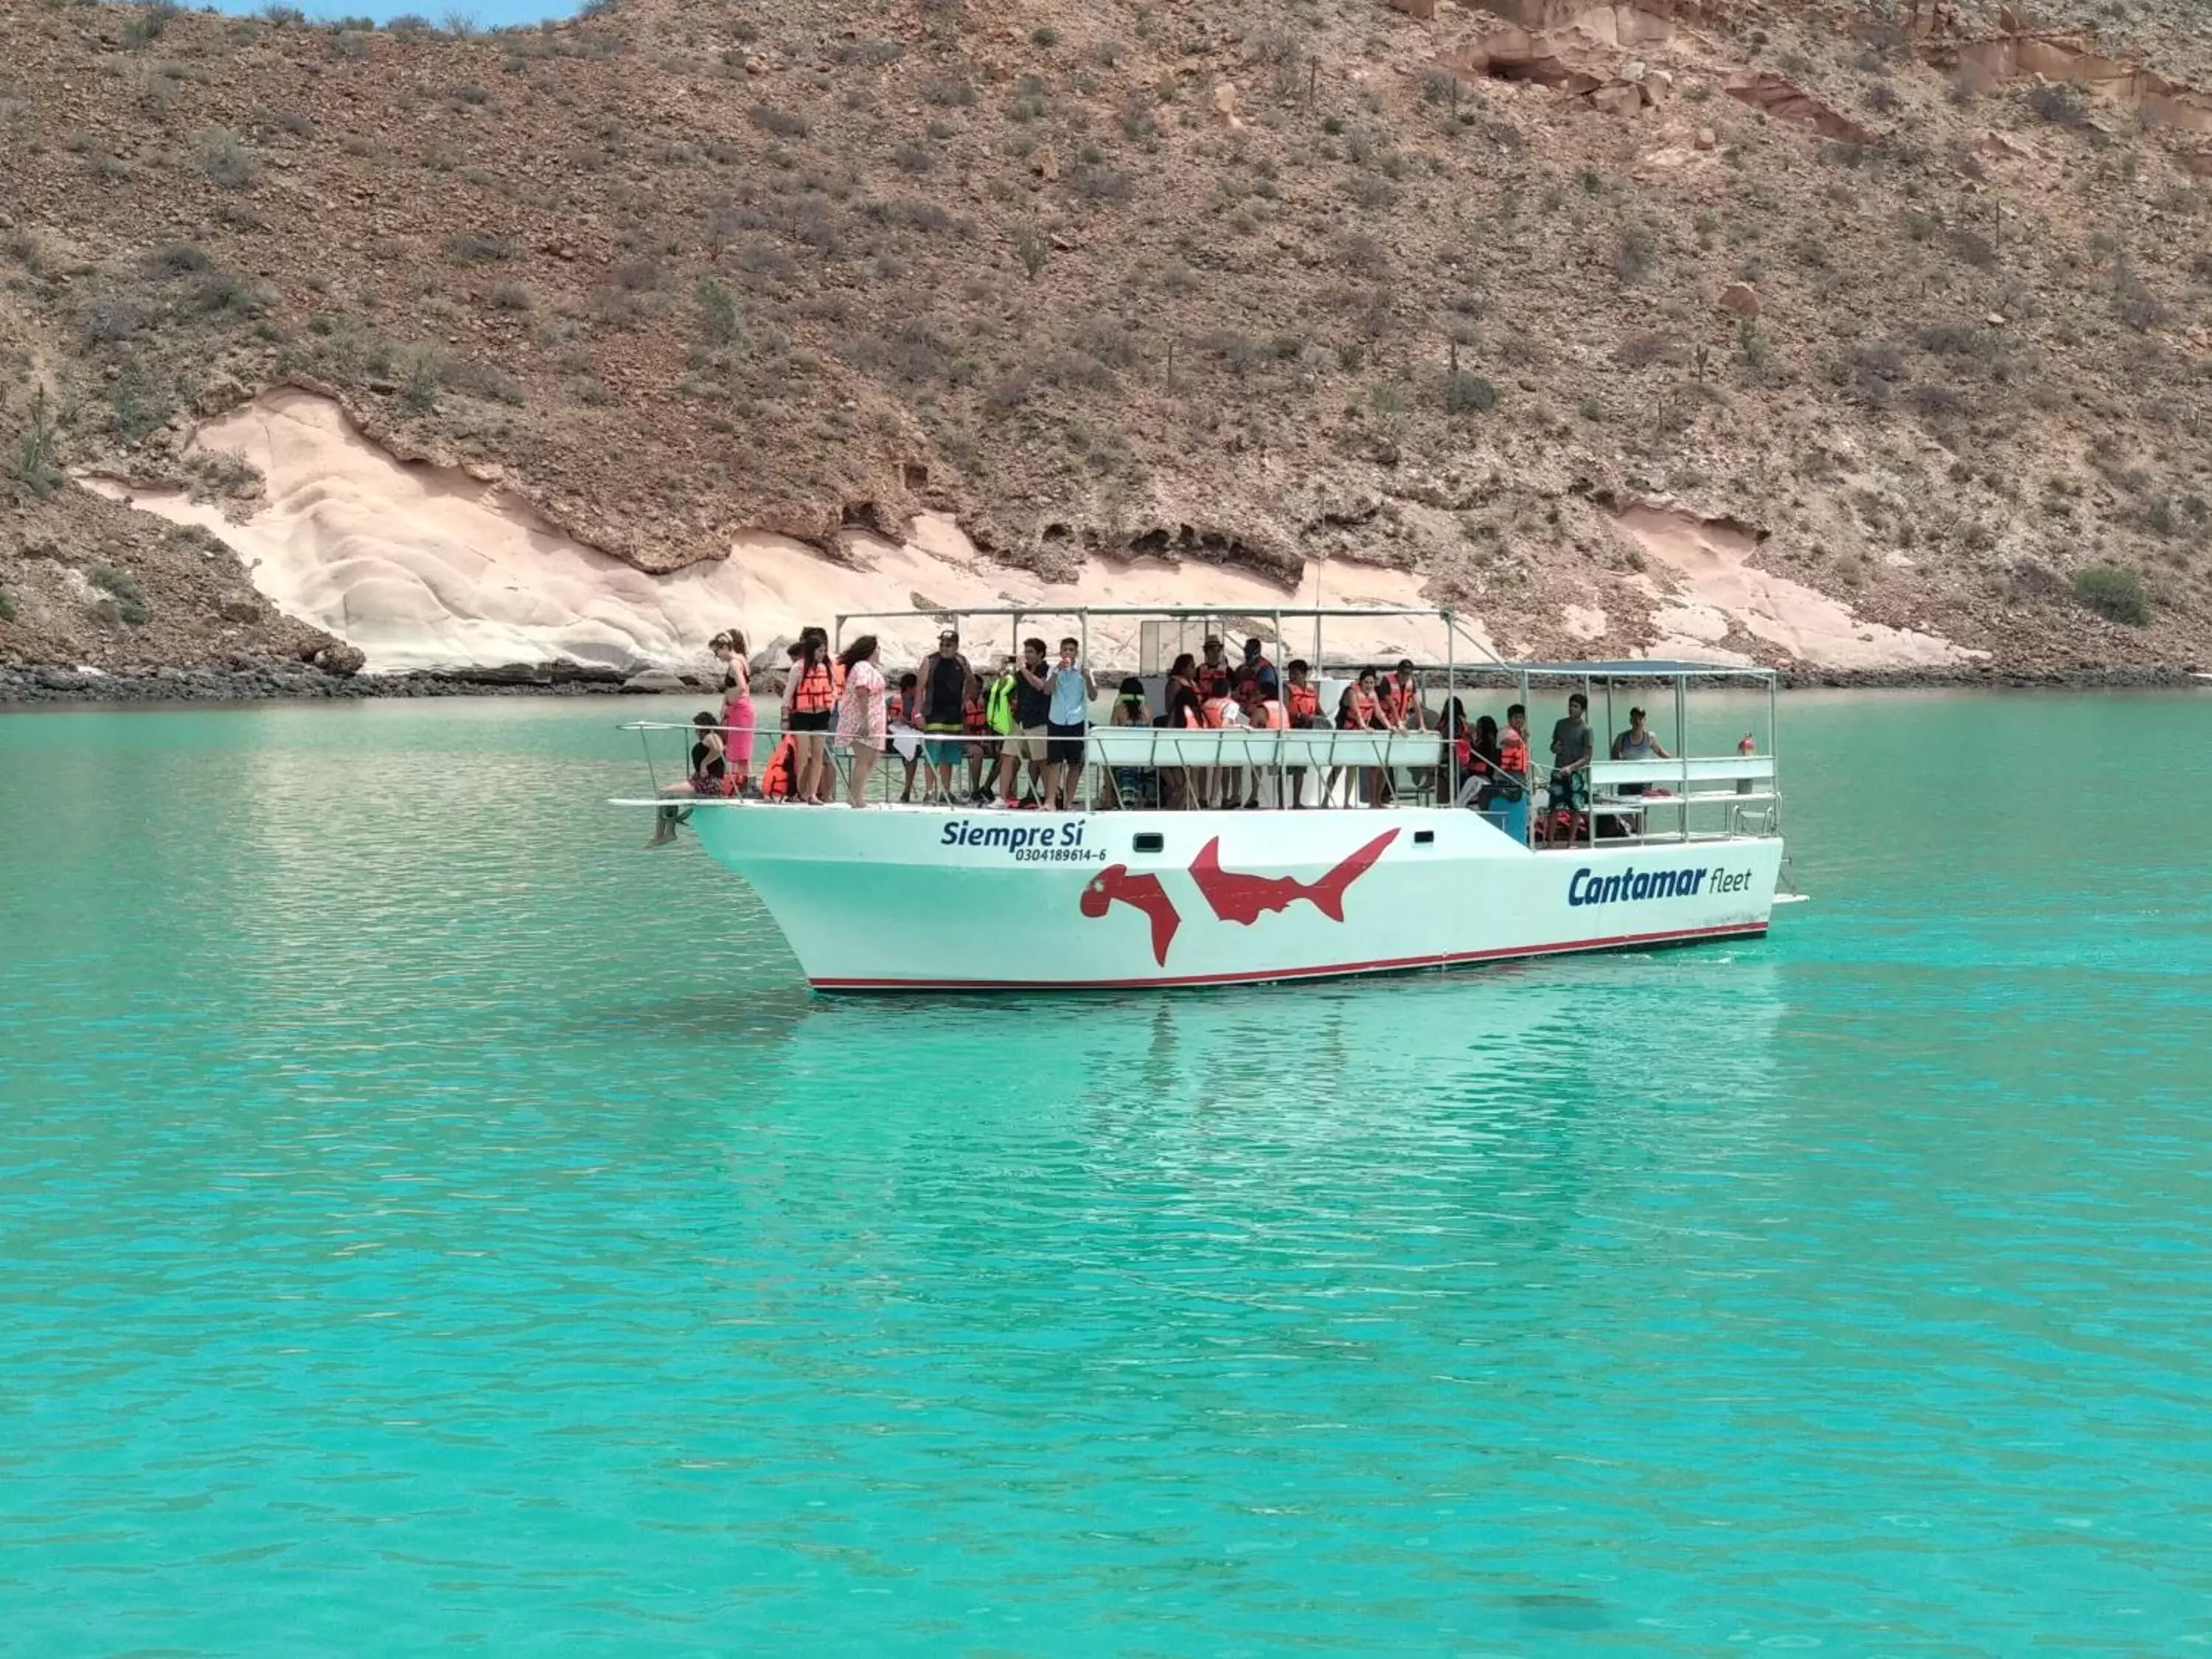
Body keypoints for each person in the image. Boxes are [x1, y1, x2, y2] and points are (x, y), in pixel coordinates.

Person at [914, 627, 975, 805]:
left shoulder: (962, 661)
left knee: (948, 756)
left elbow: (971, 681)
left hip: (954, 716)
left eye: (948, 644)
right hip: (933, 714)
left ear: (956, 645)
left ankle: (946, 792)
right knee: (932, 754)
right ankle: (929, 791)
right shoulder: (930, 661)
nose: (944, 647)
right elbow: (919, 688)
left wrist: (966, 699)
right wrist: (918, 712)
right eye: (942, 644)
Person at [648, 711, 726, 846]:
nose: (695, 731)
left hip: (710, 783)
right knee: (666, 795)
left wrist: (704, 764)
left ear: (703, 726)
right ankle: (664, 834)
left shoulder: (711, 736)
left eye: (696, 727)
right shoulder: (710, 738)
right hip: (703, 781)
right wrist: (698, 771)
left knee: (664, 794)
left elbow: (719, 750)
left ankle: (664, 834)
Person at [782, 627, 838, 805]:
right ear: (812, 650)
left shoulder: (825, 668)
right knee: (802, 756)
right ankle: (797, 792)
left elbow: (833, 689)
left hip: (821, 716)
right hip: (802, 716)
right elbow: (788, 695)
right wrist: (785, 717)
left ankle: (812, 794)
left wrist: (830, 706)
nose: (823, 654)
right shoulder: (798, 668)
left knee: (818, 757)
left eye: (824, 651)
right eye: (820, 651)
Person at [998, 637, 1054, 808]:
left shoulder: (1048, 670)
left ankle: (1049, 798)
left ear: (1040, 654)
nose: (1027, 655)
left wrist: (1023, 670)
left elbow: (1041, 687)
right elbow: (1005, 689)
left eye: (1031, 652)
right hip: (1019, 720)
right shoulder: (1021, 672)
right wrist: (1002, 673)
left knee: (1042, 761)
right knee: (1008, 756)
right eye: (1026, 652)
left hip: (1038, 721)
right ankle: (1002, 797)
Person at [1043, 635, 1095, 810]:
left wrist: (1087, 678)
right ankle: (1050, 802)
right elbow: (1047, 691)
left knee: (1074, 764)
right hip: (1056, 720)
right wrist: (1056, 672)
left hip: (1076, 721)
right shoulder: (1053, 670)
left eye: (1071, 650)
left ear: (1076, 653)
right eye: (1065, 650)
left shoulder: (1084, 671)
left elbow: (1093, 696)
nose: (1068, 653)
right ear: (1060, 652)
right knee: (1054, 762)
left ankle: (1068, 802)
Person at [835, 635, 888, 807]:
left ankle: (857, 794)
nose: (880, 651)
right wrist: (865, 720)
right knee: (863, 759)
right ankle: (855, 797)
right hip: (862, 720)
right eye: (878, 648)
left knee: (873, 758)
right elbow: (862, 692)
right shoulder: (862, 667)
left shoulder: (870, 668)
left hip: (875, 721)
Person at [1331, 665, 1390, 807]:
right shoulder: (1352, 692)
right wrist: (1364, 726)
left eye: (1372, 683)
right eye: (1366, 682)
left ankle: (1346, 802)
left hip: (1357, 734)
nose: (1369, 686)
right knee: (1338, 768)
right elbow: (1357, 713)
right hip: (1346, 733)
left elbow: (1379, 714)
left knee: (1352, 767)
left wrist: (1390, 727)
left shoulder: (1373, 694)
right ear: (1360, 682)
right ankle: (1325, 800)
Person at [711, 630, 755, 791]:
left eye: (717, 652)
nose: (717, 656)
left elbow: (742, 686)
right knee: (742, 752)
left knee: (738, 752)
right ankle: (743, 787)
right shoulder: (743, 660)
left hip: (739, 709)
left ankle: (740, 788)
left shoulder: (734, 663)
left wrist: (730, 703)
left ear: (725, 647)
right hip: (744, 708)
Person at [1548, 692, 1593, 842]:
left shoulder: (1586, 730)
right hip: (1558, 771)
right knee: (1554, 806)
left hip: (1576, 775)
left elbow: (1587, 757)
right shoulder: (1560, 724)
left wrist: (1571, 768)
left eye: (1575, 706)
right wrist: (1555, 748)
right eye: (1570, 705)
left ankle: (1571, 841)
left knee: (1576, 807)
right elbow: (1552, 747)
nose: (1571, 709)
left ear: (1583, 710)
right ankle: (1550, 841)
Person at [1163, 653, 1203, 809]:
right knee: (1176, 768)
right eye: (1192, 666)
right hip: (1179, 726)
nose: (1195, 669)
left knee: (1192, 768)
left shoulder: (1192, 683)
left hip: (1193, 728)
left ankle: (1189, 801)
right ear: (1183, 668)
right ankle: (1180, 800)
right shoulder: (1175, 684)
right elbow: (1170, 707)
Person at [1282, 658, 1322, 808]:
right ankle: (1282, 803)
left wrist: (1323, 720)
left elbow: (1318, 709)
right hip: (1291, 729)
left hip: (1307, 730)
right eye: (1291, 673)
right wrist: (1299, 716)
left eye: (1296, 673)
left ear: (1304, 674)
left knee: (1300, 767)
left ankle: (1296, 801)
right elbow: (1284, 709)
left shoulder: (1312, 689)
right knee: (1285, 768)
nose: (1292, 677)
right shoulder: (1287, 689)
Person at [1107, 675, 1150, 808]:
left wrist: (1116, 702)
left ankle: (1109, 799)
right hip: (1142, 755)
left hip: (1123, 755)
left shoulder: (1119, 710)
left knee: (1106, 763)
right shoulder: (1147, 711)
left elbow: (1112, 731)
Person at [1610, 706, 1672, 797]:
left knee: (1642, 808)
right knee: (1626, 808)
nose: (1638, 721)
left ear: (1644, 720)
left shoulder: (1650, 737)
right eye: (1635, 718)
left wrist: (1676, 761)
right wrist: (1623, 768)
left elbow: (1660, 752)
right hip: (1627, 780)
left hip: (1644, 779)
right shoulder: (1622, 737)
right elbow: (1614, 756)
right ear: (1630, 720)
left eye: (1640, 718)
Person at [889, 671, 922, 803]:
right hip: (892, 738)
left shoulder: (919, 702)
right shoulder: (891, 701)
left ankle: (907, 791)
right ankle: (907, 790)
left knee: (913, 752)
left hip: (912, 736)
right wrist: (895, 719)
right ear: (909, 688)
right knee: (910, 753)